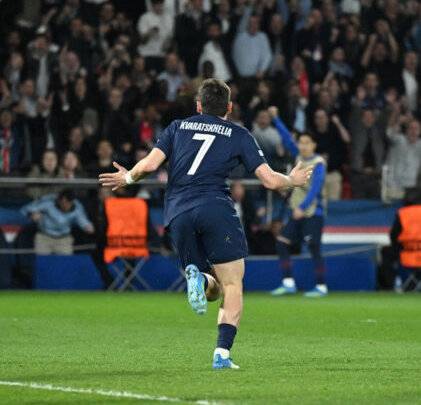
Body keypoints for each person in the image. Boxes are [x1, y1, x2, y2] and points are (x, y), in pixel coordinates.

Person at [99, 79, 311, 369]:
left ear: (198, 106)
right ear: (229, 107)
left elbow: (148, 165)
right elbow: (271, 181)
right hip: (215, 209)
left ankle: (198, 279)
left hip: (177, 214)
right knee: (233, 284)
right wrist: (292, 180)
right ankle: (221, 354)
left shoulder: (177, 127)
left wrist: (126, 178)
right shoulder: (239, 133)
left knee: (214, 288)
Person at [269, 110, 328, 298]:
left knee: (313, 247)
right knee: (282, 242)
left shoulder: (319, 163)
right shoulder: (298, 157)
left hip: (313, 212)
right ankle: (288, 283)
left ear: (314, 145)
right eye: (301, 142)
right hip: (298, 211)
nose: (302, 146)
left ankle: (321, 286)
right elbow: (287, 139)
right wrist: (275, 118)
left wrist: (302, 208)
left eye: (307, 142)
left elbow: (315, 189)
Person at [21, 189, 95, 255]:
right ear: (59, 200)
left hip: (64, 239)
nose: (67, 206)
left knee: (65, 262)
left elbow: (83, 221)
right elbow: (25, 209)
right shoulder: (48, 202)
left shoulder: (77, 206)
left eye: (69, 204)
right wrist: (31, 214)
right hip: (44, 237)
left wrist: (88, 227)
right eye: (64, 203)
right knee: (43, 262)